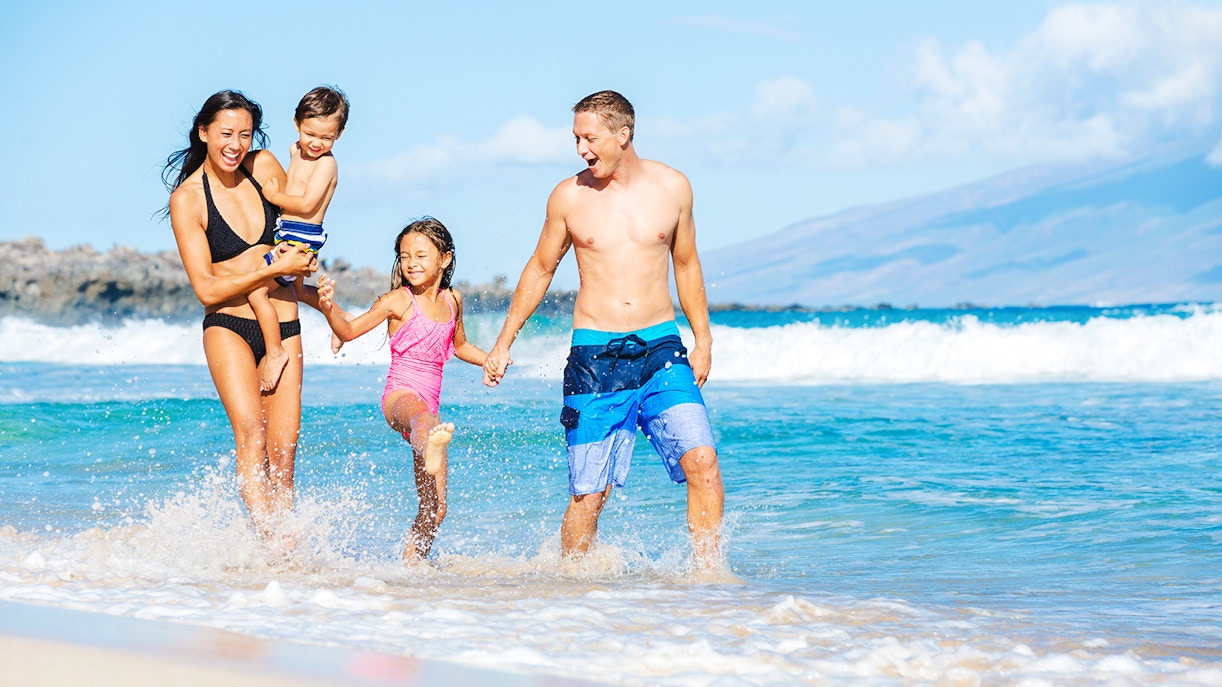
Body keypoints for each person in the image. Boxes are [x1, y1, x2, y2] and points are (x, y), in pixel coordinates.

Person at [482, 90, 725, 571]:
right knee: (590, 496)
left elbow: (686, 263)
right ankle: (572, 590)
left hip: (662, 348)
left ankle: (710, 579)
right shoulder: (568, 197)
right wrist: (504, 341)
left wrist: (704, 339)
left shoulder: (673, 187)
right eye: (575, 138)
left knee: (702, 463)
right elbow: (540, 269)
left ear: (623, 134)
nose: (580, 149)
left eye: (588, 138)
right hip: (595, 359)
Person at [163, 90, 318, 540]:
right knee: (252, 435)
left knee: (284, 453)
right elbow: (205, 287)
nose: (236, 144)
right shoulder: (189, 199)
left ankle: (286, 553)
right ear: (204, 132)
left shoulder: (264, 168)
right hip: (228, 327)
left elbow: (301, 235)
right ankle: (271, 544)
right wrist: (273, 266)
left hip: (285, 326)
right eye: (226, 133)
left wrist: (305, 270)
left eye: (245, 135)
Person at [316, 217, 488, 562]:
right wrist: (328, 308)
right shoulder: (398, 300)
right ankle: (430, 446)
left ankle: (413, 567)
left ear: (445, 259)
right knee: (423, 420)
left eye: (421, 255)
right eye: (405, 255)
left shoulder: (453, 300)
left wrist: (490, 360)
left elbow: (460, 346)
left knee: (435, 510)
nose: (411, 262)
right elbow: (349, 331)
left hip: (429, 415)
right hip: (400, 397)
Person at [248, 85, 348, 391]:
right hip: (289, 235)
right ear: (297, 125)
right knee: (300, 292)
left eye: (326, 138)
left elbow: (305, 204)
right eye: (310, 134)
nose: (316, 143)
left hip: (301, 238)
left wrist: (273, 195)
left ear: (339, 135)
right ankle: (341, 321)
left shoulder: (326, 163)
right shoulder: (295, 150)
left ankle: (275, 352)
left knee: (255, 290)